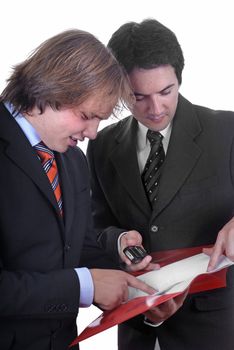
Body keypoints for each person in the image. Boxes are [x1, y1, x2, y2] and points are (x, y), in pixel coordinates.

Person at [0, 29, 158, 350]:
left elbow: (79, 249)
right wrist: (83, 286)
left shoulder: (72, 160)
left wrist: (128, 276)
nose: (94, 133)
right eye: (86, 116)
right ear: (48, 90)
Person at [86, 19, 234, 350]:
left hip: (214, 329)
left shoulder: (228, 132)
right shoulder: (101, 144)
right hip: (137, 327)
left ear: (179, 79)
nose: (155, 109)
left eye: (166, 92)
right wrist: (120, 240)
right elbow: (94, 230)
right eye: (138, 96)